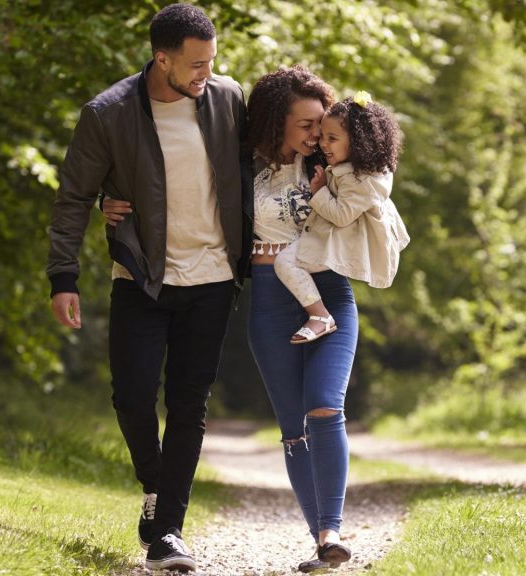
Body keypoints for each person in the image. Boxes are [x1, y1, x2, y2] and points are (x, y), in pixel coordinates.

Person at [105, 65, 357, 573]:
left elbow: (376, 184)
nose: (316, 134)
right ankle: (318, 538)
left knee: (326, 407)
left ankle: (331, 533)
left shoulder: (335, 162)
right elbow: (176, 178)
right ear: (274, 123)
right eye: (305, 124)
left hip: (327, 289)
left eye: (321, 123)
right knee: (292, 429)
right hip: (269, 294)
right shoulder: (242, 163)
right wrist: (110, 200)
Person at [46, 4, 251, 572]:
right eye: (194, 65)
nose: (205, 74)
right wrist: (64, 276)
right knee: (133, 396)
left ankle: (168, 532)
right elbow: (72, 200)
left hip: (212, 277)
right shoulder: (108, 114)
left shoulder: (227, 98)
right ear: (161, 58)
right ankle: (157, 485)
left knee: (189, 403)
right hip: (142, 276)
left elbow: (261, 166)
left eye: (211, 62)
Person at [273, 91, 410, 344]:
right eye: (323, 136)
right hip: (334, 237)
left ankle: (320, 316)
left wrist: (319, 192)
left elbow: (341, 215)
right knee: (289, 260)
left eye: (332, 138)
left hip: (346, 242)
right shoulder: (354, 170)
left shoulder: (363, 181)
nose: (323, 144)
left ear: (358, 143)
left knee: (285, 263)